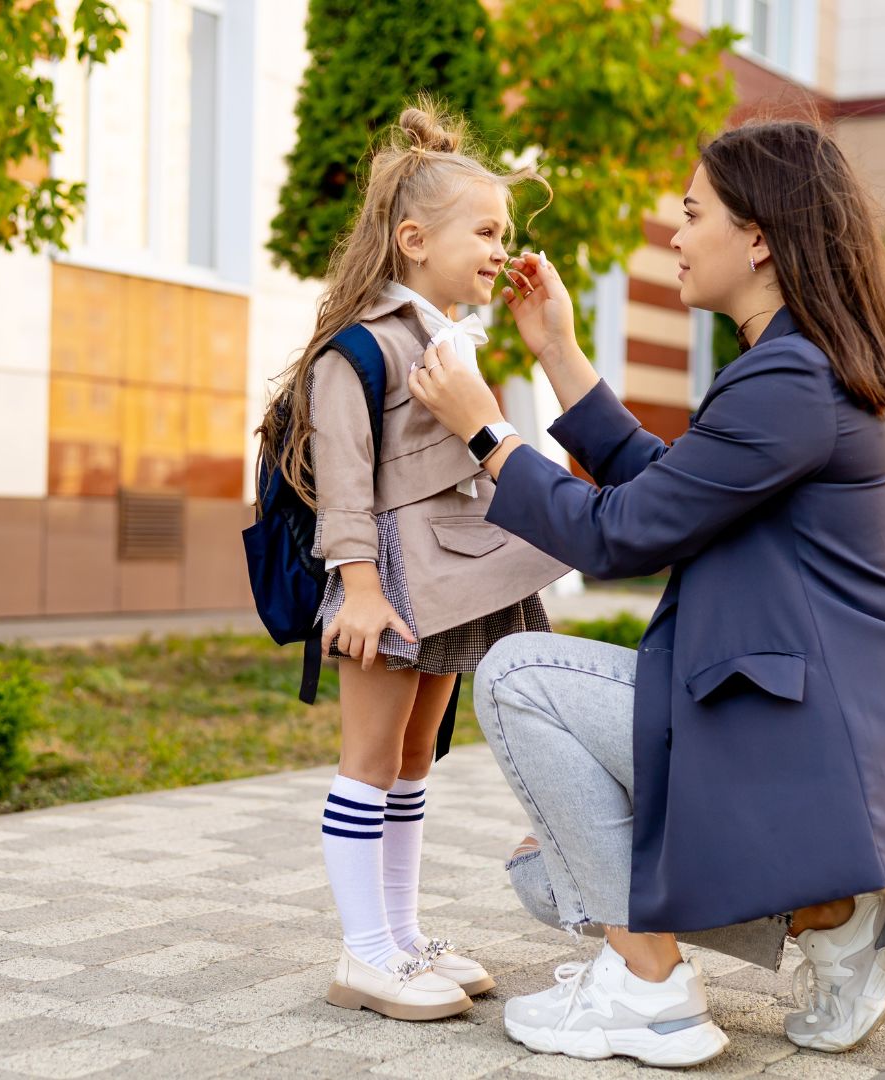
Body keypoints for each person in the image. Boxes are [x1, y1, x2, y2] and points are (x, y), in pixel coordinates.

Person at [407, 119, 885, 1067]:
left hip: (804, 739)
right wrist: (559, 355)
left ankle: (649, 991)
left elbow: (620, 534)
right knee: (551, 877)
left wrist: (488, 433)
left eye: (694, 212)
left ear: (759, 237)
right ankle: (840, 928)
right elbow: (672, 491)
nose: (675, 233)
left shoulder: (791, 377)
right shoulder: (801, 365)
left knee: (515, 675)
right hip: (815, 730)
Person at [255, 100, 566, 1022]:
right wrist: (356, 589)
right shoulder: (358, 352)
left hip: (451, 579)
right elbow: (346, 485)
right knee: (368, 759)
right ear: (412, 239)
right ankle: (364, 955)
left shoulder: (446, 342)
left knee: (414, 759)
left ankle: (401, 937)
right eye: (485, 229)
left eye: (504, 232)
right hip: (388, 584)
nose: (499, 246)